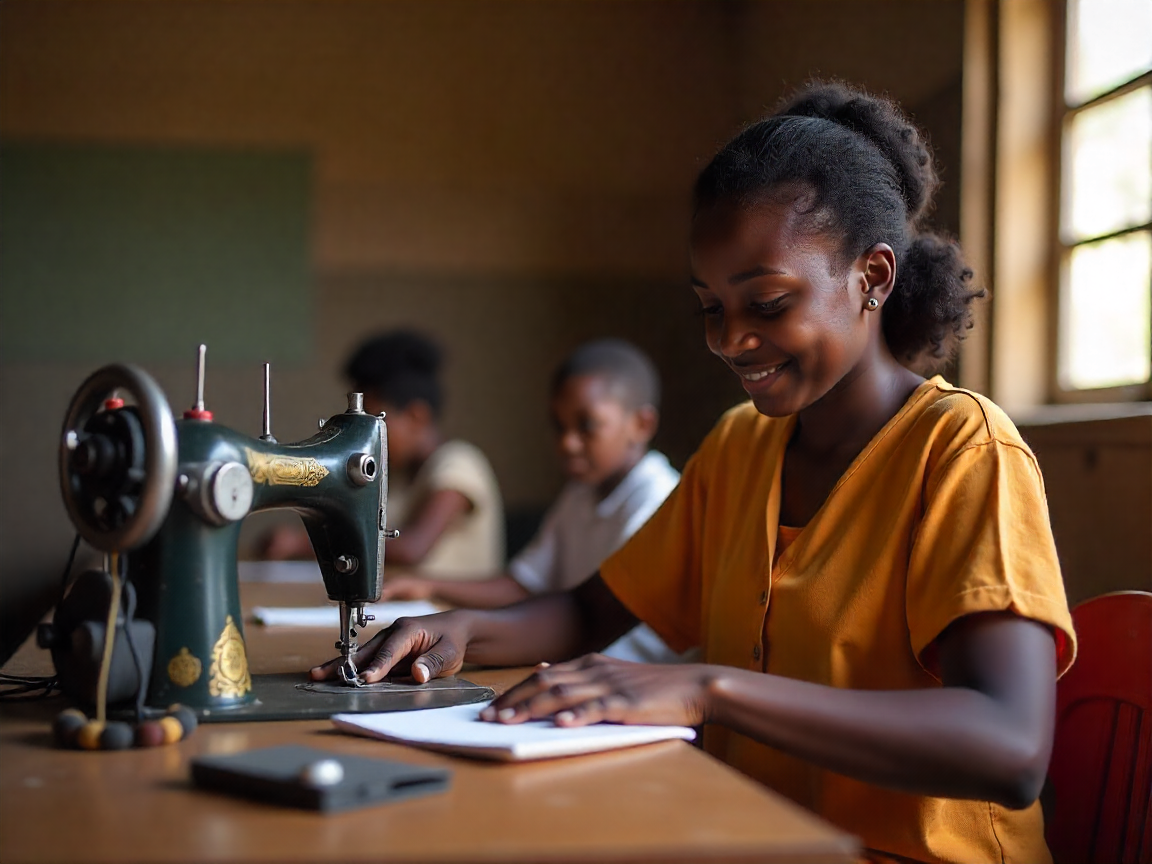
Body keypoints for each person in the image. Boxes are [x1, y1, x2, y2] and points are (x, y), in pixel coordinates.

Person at [313, 82, 1076, 864]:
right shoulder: (741, 447)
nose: (731, 342)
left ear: (872, 278)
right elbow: (588, 614)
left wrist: (712, 689)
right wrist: (466, 628)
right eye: (711, 308)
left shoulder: (963, 453)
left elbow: (1009, 749)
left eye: (768, 303)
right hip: (751, 833)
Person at [380, 339, 688, 663]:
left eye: (587, 425)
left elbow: (606, 622)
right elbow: (523, 584)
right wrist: (429, 586)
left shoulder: (658, 501)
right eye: (559, 426)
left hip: (628, 672)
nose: (568, 443)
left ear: (641, 424)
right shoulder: (580, 493)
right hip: (582, 659)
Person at [264, 329, 505, 578]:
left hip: (448, 611)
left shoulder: (459, 462)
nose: (363, 438)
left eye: (373, 422)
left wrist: (300, 545)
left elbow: (412, 549)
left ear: (415, 416)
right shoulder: (400, 479)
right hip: (414, 607)